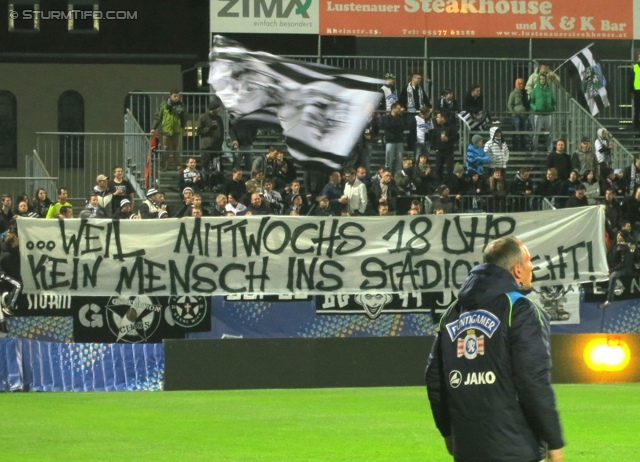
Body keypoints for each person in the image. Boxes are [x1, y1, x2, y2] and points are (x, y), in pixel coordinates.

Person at [425, 236, 564, 462]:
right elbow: (532, 380)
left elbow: (435, 380)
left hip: (466, 449)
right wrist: (554, 441)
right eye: (528, 261)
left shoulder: (451, 314)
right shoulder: (520, 309)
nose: (532, 267)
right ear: (517, 270)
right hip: (516, 449)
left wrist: (447, 432)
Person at [153, 89, 186, 171]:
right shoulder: (164, 105)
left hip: (176, 131)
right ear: (170, 96)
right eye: (174, 96)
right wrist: (154, 127)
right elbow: (158, 117)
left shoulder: (181, 105)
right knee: (165, 149)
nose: (176, 98)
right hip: (166, 130)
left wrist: (183, 127)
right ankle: (163, 165)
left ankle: (178, 165)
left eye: (178, 96)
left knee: (177, 149)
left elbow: (183, 117)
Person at [600, 231, 635, 309]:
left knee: (613, 276)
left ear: (623, 237)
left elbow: (622, 264)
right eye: (618, 234)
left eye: (620, 235)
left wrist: (611, 271)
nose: (618, 236)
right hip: (615, 267)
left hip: (624, 269)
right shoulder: (615, 245)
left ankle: (609, 300)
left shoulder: (625, 248)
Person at [198, 100, 225, 187]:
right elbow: (199, 131)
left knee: (216, 167)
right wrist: (209, 129)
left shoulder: (219, 118)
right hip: (206, 147)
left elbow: (221, 132)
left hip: (217, 147)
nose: (219, 110)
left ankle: (214, 185)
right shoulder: (203, 117)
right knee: (205, 167)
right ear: (213, 108)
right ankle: (205, 185)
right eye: (218, 108)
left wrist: (221, 143)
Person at [530, 73, 556, 153]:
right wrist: (535, 108)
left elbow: (554, 101)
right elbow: (531, 102)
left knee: (549, 133)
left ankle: (550, 150)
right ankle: (535, 150)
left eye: (543, 79)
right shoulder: (534, 91)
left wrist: (552, 108)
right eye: (540, 79)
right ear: (538, 80)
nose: (542, 80)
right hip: (538, 115)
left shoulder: (549, 90)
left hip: (548, 115)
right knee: (536, 133)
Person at [431, 111, 459, 182]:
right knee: (438, 169)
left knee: (449, 170)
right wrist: (435, 148)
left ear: (443, 118)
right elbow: (432, 138)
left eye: (438, 117)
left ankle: (449, 186)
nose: (436, 119)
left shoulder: (450, 126)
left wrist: (448, 139)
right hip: (439, 151)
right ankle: (439, 186)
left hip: (449, 151)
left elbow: (456, 136)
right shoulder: (436, 127)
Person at [507, 78, 529, 151]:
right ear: (516, 84)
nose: (521, 85)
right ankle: (516, 148)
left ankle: (523, 147)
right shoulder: (513, 93)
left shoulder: (525, 93)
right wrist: (513, 113)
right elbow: (509, 105)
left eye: (522, 83)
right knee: (516, 132)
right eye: (519, 84)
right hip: (516, 115)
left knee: (523, 133)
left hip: (524, 115)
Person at [383, 103, 406, 173]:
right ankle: (387, 175)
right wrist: (396, 127)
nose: (400, 110)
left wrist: (394, 127)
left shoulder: (401, 118)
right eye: (398, 108)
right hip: (390, 141)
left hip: (399, 141)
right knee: (388, 160)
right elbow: (388, 126)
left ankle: (398, 177)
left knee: (399, 161)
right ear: (393, 108)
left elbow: (403, 127)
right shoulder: (387, 118)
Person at [631, 53, 640, 130]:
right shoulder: (635, 67)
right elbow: (631, 80)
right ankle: (636, 125)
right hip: (637, 91)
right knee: (637, 109)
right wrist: (631, 91)